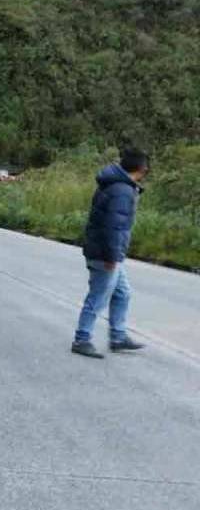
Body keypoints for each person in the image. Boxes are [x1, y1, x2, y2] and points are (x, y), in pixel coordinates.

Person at [71, 148, 149, 359]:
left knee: (122, 293)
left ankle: (118, 336)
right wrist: (112, 257)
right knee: (98, 296)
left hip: (105, 250)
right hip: (106, 254)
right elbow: (113, 226)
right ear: (142, 169)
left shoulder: (113, 184)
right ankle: (82, 338)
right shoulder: (122, 190)